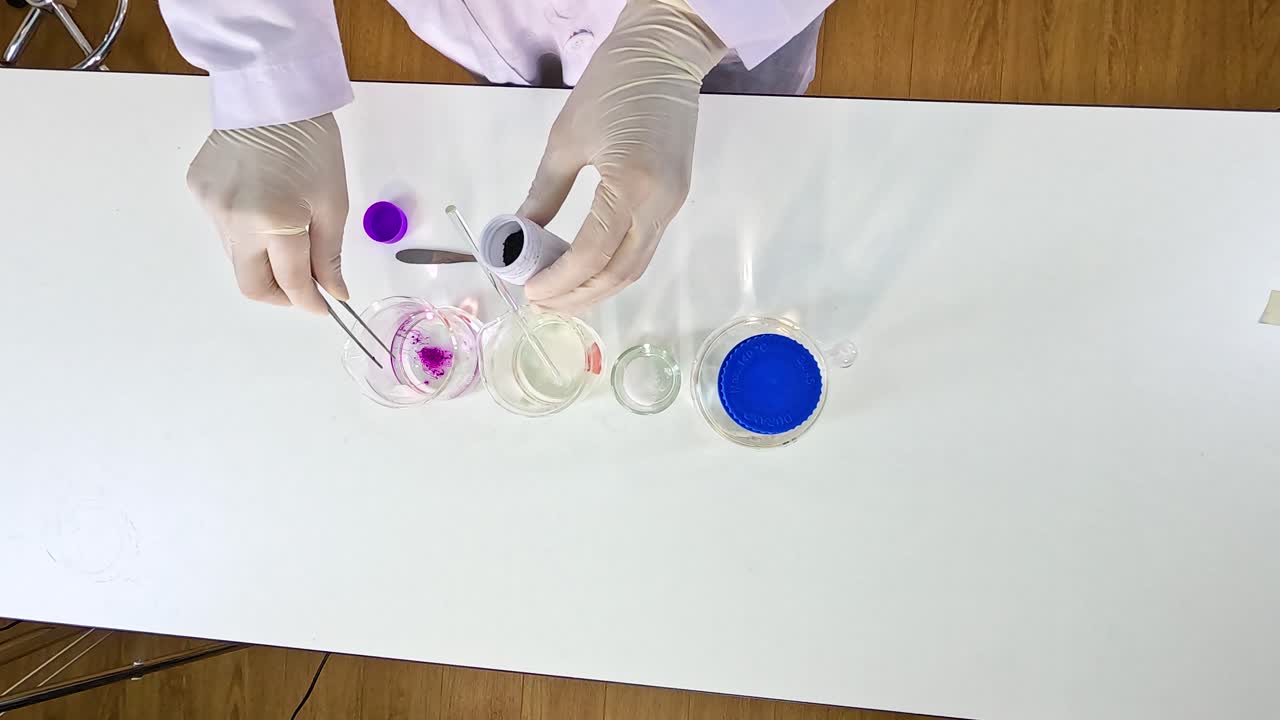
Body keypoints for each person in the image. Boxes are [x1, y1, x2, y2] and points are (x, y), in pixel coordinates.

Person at [160, 0, 832, 314]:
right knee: (525, 107)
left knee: (742, 155)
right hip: (490, 21)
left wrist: (682, 26)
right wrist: (262, 69)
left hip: (728, 26)